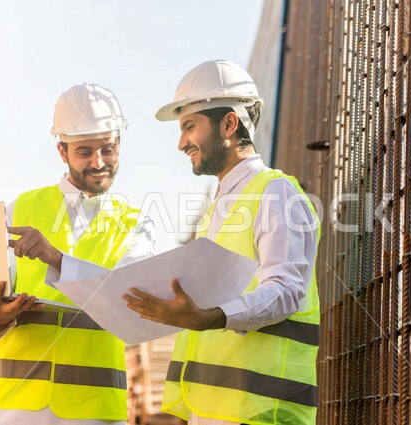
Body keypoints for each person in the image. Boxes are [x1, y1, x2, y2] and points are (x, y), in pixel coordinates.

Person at [123, 60, 320, 425]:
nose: (182, 143)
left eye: (189, 126)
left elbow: (286, 290)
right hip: (216, 410)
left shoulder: (275, 192)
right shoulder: (221, 207)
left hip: (261, 411)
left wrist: (210, 317)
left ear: (229, 124)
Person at [0, 82, 155, 425]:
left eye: (108, 149)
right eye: (85, 152)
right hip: (11, 409)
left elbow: (129, 305)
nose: (99, 162)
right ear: (62, 151)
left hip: (92, 410)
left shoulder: (137, 225)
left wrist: (56, 259)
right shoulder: (20, 208)